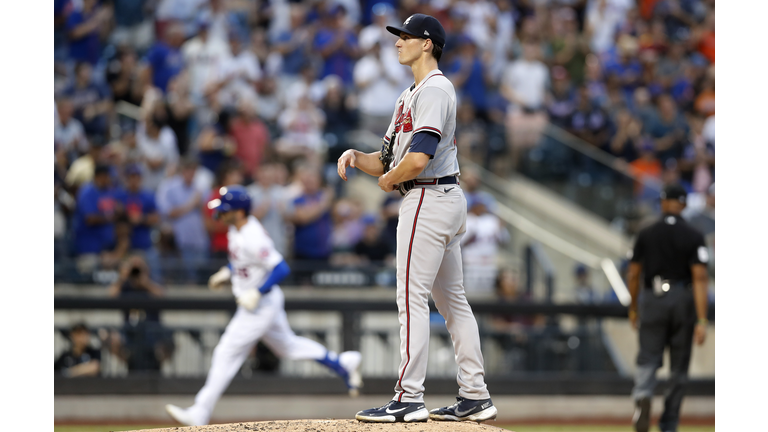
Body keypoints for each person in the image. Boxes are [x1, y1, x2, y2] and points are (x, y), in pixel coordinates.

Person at [337, 14, 496, 423]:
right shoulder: (409, 94)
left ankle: (408, 397)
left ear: (427, 43)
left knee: (411, 297)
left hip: (427, 195)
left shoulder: (437, 88)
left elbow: (419, 157)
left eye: (405, 36)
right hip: (436, 195)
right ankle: (475, 395)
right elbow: (389, 158)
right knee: (452, 302)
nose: (397, 42)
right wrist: (359, 159)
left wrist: (390, 179)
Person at [165, 186, 362, 426]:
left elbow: (281, 268)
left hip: (260, 305)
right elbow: (243, 261)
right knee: (288, 346)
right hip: (257, 302)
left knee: (225, 352)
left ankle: (200, 411)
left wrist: (258, 292)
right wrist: (227, 272)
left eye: (225, 209)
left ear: (238, 212)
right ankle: (342, 363)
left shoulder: (252, 234)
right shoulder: (235, 230)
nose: (220, 213)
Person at [626, 183, 710, 432]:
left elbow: (633, 274)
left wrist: (633, 307)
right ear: (683, 205)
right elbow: (700, 278)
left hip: (653, 298)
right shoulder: (694, 236)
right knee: (678, 367)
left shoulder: (646, 232)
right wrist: (702, 320)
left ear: (663, 203)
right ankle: (669, 422)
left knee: (648, 359)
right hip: (682, 299)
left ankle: (643, 396)